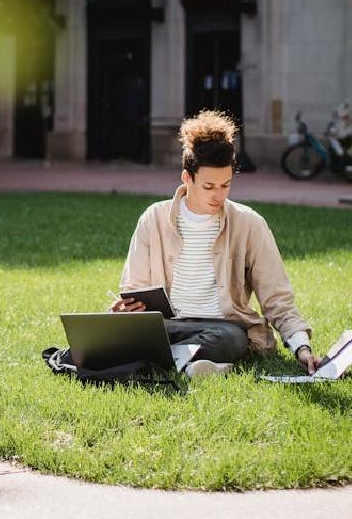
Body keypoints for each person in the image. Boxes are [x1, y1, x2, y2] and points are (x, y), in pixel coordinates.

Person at [110, 110, 321, 378]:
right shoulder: (154, 218)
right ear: (187, 178)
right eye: (209, 187)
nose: (218, 195)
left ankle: (152, 361)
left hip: (221, 329)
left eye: (226, 185)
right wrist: (127, 308)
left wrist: (301, 347)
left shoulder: (249, 224)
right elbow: (134, 288)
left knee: (232, 339)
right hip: (169, 326)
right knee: (123, 332)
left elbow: (277, 298)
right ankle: (189, 364)